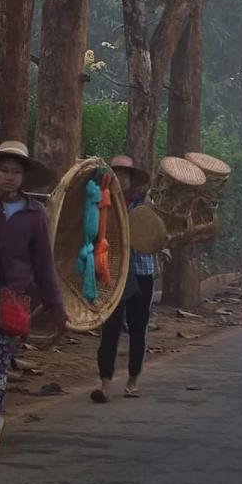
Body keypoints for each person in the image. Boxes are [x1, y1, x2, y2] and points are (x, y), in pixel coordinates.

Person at [0, 141, 67, 460]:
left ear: (24, 177)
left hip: (14, 299)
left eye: (15, 172)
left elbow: (43, 263)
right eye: (3, 170)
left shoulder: (33, 213)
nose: (9, 177)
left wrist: (56, 306)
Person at [92, 155, 155, 403]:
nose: (121, 179)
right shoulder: (101, 203)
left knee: (139, 328)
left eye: (125, 175)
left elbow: (157, 234)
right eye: (116, 174)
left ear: (132, 180)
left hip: (141, 271)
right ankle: (105, 383)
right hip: (112, 273)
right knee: (110, 328)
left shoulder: (144, 207)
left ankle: (132, 379)